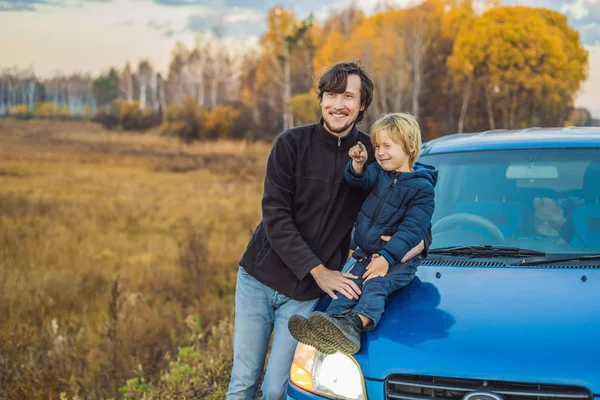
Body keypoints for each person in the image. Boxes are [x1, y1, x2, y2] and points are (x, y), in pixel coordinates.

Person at [226, 62, 431, 400]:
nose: (338, 104)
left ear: (361, 105)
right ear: (321, 99)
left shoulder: (375, 155)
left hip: (306, 297)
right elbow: (275, 216)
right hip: (259, 280)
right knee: (243, 382)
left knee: (277, 389)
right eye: (332, 95)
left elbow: (419, 213)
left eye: (348, 96)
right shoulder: (290, 144)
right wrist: (319, 271)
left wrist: (405, 245)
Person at [288, 112, 437, 355]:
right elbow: (358, 181)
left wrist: (387, 258)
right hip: (365, 255)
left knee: (375, 286)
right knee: (348, 287)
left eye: (387, 146)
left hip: (398, 262)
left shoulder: (422, 188)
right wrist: (358, 164)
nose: (380, 152)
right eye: (377, 146)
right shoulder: (378, 172)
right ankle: (327, 325)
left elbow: (414, 229)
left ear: (410, 147)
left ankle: (354, 327)